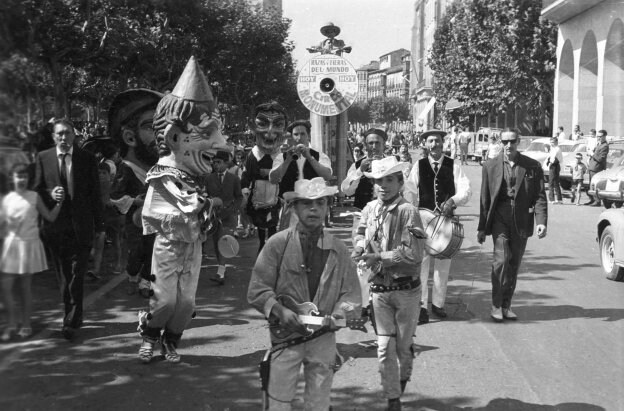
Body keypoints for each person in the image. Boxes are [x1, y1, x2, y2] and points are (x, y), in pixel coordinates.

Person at [137, 56, 228, 363]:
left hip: (193, 246)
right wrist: (205, 206)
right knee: (164, 301)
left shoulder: (196, 178)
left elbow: (204, 215)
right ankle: (149, 335)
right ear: (174, 136)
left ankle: (171, 340)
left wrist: (211, 218)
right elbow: (185, 202)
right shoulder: (163, 175)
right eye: (207, 133)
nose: (221, 144)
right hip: (169, 245)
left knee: (186, 304)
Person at [247, 177, 361, 410]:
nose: (314, 209)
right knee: (277, 399)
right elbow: (257, 289)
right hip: (285, 337)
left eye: (320, 203)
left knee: (318, 401)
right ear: (295, 208)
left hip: (323, 338)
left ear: (327, 207)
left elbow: (351, 295)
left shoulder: (339, 249)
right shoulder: (277, 244)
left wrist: (339, 315)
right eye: (307, 203)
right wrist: (279, 310)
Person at [352, 157, 425, 410]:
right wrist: (359, 247)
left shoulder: (409, 211)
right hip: (379, 290)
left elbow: (414, 254)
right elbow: (361, 232)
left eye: (389, 180)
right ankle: (393, 399)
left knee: (403, 348)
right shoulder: (369, 208)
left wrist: (378, 256)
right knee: (384, 347)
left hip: (406, 290)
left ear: (400, 182)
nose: (383, 186)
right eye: (379, 181)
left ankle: (402, 381)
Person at [34, 118, 104, 340]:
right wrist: (49, 194)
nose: (63, 138)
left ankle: (71, 321)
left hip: (81, 226)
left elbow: (95, 193)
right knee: (63, 274)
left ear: (74, 135)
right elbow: (35, 190)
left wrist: (100, 224)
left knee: (76, 273)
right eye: (59, 134)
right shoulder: (43, 158)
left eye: (67, 133)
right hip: (55, 226)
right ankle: (74, 312)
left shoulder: (87, 159)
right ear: (54, 136)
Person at [477, 128, 548, 322]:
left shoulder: (532, 166)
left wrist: (541, 222)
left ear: (519, 142)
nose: (509, 145)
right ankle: (496, 305)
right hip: (500, 218)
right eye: (505, 142)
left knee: (514, 264)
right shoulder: (490, 166)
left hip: (522, 220)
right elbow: (485, 199)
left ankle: (507, 305)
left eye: (513, 141)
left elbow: (540, 196)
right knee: (501, 260)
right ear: (500, 142)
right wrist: (482, 227)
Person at [403, 130, 472, 324]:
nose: (435, 145)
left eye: (438, 141)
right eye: (431, 141)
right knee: (422, 264)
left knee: (443, 262)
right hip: (423, 220)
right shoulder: (419, 165)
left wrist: (453, 200)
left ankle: (438, 304)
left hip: (445, 220)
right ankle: (422, 306)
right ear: (425, 144)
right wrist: (412, 210)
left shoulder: (454, 165)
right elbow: (410, 188)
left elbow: (466, 189)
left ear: (443, 143)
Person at [108, 88, 163, 297]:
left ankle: (145, 282)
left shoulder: (160, 170)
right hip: (134, 222)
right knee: (138, 250)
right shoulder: (126, 169)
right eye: (152, 127)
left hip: (156, 220)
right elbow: (115, 196)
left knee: (153, 249)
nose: (162, 136)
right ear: (130, 137)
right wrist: (137, 202)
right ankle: (132, 272)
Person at [0, 163, 64, 341]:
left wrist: (59, 203)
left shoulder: (34, 196)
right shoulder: (7, 199)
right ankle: (12, 323)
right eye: (18, 176)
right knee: (5, 289)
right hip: (11, 246)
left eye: (24, 177)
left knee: (24, 288)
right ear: (12, 179)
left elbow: (49, 217)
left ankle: (26, 323)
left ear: (28, 179)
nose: (21, 179)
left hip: (28, 246)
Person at [241, 102, 287, 253]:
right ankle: (262, 244)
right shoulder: (252, 155)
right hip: (257, 196)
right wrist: (244, 192)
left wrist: (269, 174)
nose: (269, 132)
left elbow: (286, 176)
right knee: (260, 222)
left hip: (275, 195)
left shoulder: (283, 156)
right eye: (262, 123)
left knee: (273, 222)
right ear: (253, 127)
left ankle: (272, 246)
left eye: (278, 124)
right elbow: (246, 175)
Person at [270, 119, 332, 231]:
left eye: (303, 134)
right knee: (289, 243)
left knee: (311, 242)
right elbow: (273, 179)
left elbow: (327, 176)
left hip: (312, 206)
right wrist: (288, 160)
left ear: (308, 136)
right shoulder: (282, 157)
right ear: (292, 137)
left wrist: (309, 157)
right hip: (290, 207)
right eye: (296, 134)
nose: (299, 138)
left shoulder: (319, 156)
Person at [204, 150, 243, 285]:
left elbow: (239, 197)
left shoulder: (234, 179)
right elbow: (206, 196)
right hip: (214, 216)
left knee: (224, 241)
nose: (216, 165)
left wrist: (233, 210)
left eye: (219, 162)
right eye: (214, 163)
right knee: (216, 243)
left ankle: (220, 273)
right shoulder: (209, 178)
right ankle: (221, 269)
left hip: (229, 216)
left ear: (226, 163)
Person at [341, 128, 394, 210]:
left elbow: (403, 188)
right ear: (365, 145)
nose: (374, 147)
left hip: (387, 213)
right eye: (370, 143)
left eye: (377, 143)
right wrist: (360, 171)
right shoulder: (356, 165)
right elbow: (347, 191)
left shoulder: (392, 164)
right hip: (362, 214)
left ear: (383, 144)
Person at [585, 129, 609, 206]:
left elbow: (600, 158)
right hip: (592, 167)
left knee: (595, 185)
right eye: (597, 136)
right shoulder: (599, 144)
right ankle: (592, 199)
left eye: (600, 136)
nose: (598, 138)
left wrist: (592, 154)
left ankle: (597, 201)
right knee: (590, 185)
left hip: (597, 168)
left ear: (605, 136)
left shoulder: (605, 146)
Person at [546, 137, 563, 204]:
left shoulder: (556, 149)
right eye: (550, 142)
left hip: (554, 165)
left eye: (552, 142)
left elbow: (554, 159)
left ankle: (551, 199)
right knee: (556, 183)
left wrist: (550, 162)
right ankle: (559, 199)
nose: (551, 144)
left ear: (556, 142)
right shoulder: (553, 149)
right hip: (555, 165)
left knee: (551, 183)